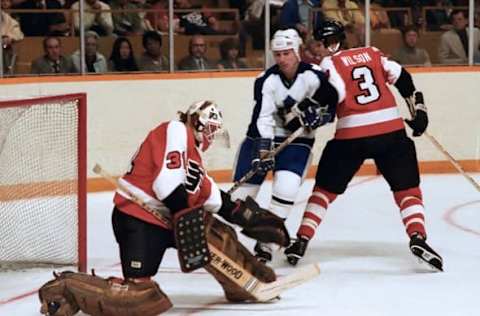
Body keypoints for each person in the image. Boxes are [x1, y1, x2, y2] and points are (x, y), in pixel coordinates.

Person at [38, 100, 290, 316]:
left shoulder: (193, 159)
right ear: (198, 124)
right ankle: (67, 288)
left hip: (167, 218)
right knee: (140, 298)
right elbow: (166, 185)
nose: (212, 137)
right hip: (137, 219)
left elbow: (213, 197)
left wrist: (249, 218)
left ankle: (250, 280)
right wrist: (186, 218)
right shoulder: (176, 130)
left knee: (218, 234)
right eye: (211, 130)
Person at [284, 20, 444, 272]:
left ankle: (302, 239)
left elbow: (333, 93)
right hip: (391, 131)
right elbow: (403, 77)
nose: (318, 49)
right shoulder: (372, 52)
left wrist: (308, 111)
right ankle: (418, 236)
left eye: (319, 43)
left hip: (352, 135)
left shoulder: (329, 63)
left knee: (324, 189)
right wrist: (418, 110)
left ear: (326, 43)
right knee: (408, 189)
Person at [231, 28, 338, 263]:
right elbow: (263, 118)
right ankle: (235, 239)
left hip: (297, 142)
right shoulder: (265, 80)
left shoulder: (314, 76)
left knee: (287, 188)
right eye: (277, 54)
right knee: (239, 199)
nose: (282, 59)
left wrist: (321, 117)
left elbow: (333, 104)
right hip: (260, 138)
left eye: (287, 53)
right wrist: (263, 149)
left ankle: (266, 244)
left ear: (297, 51)